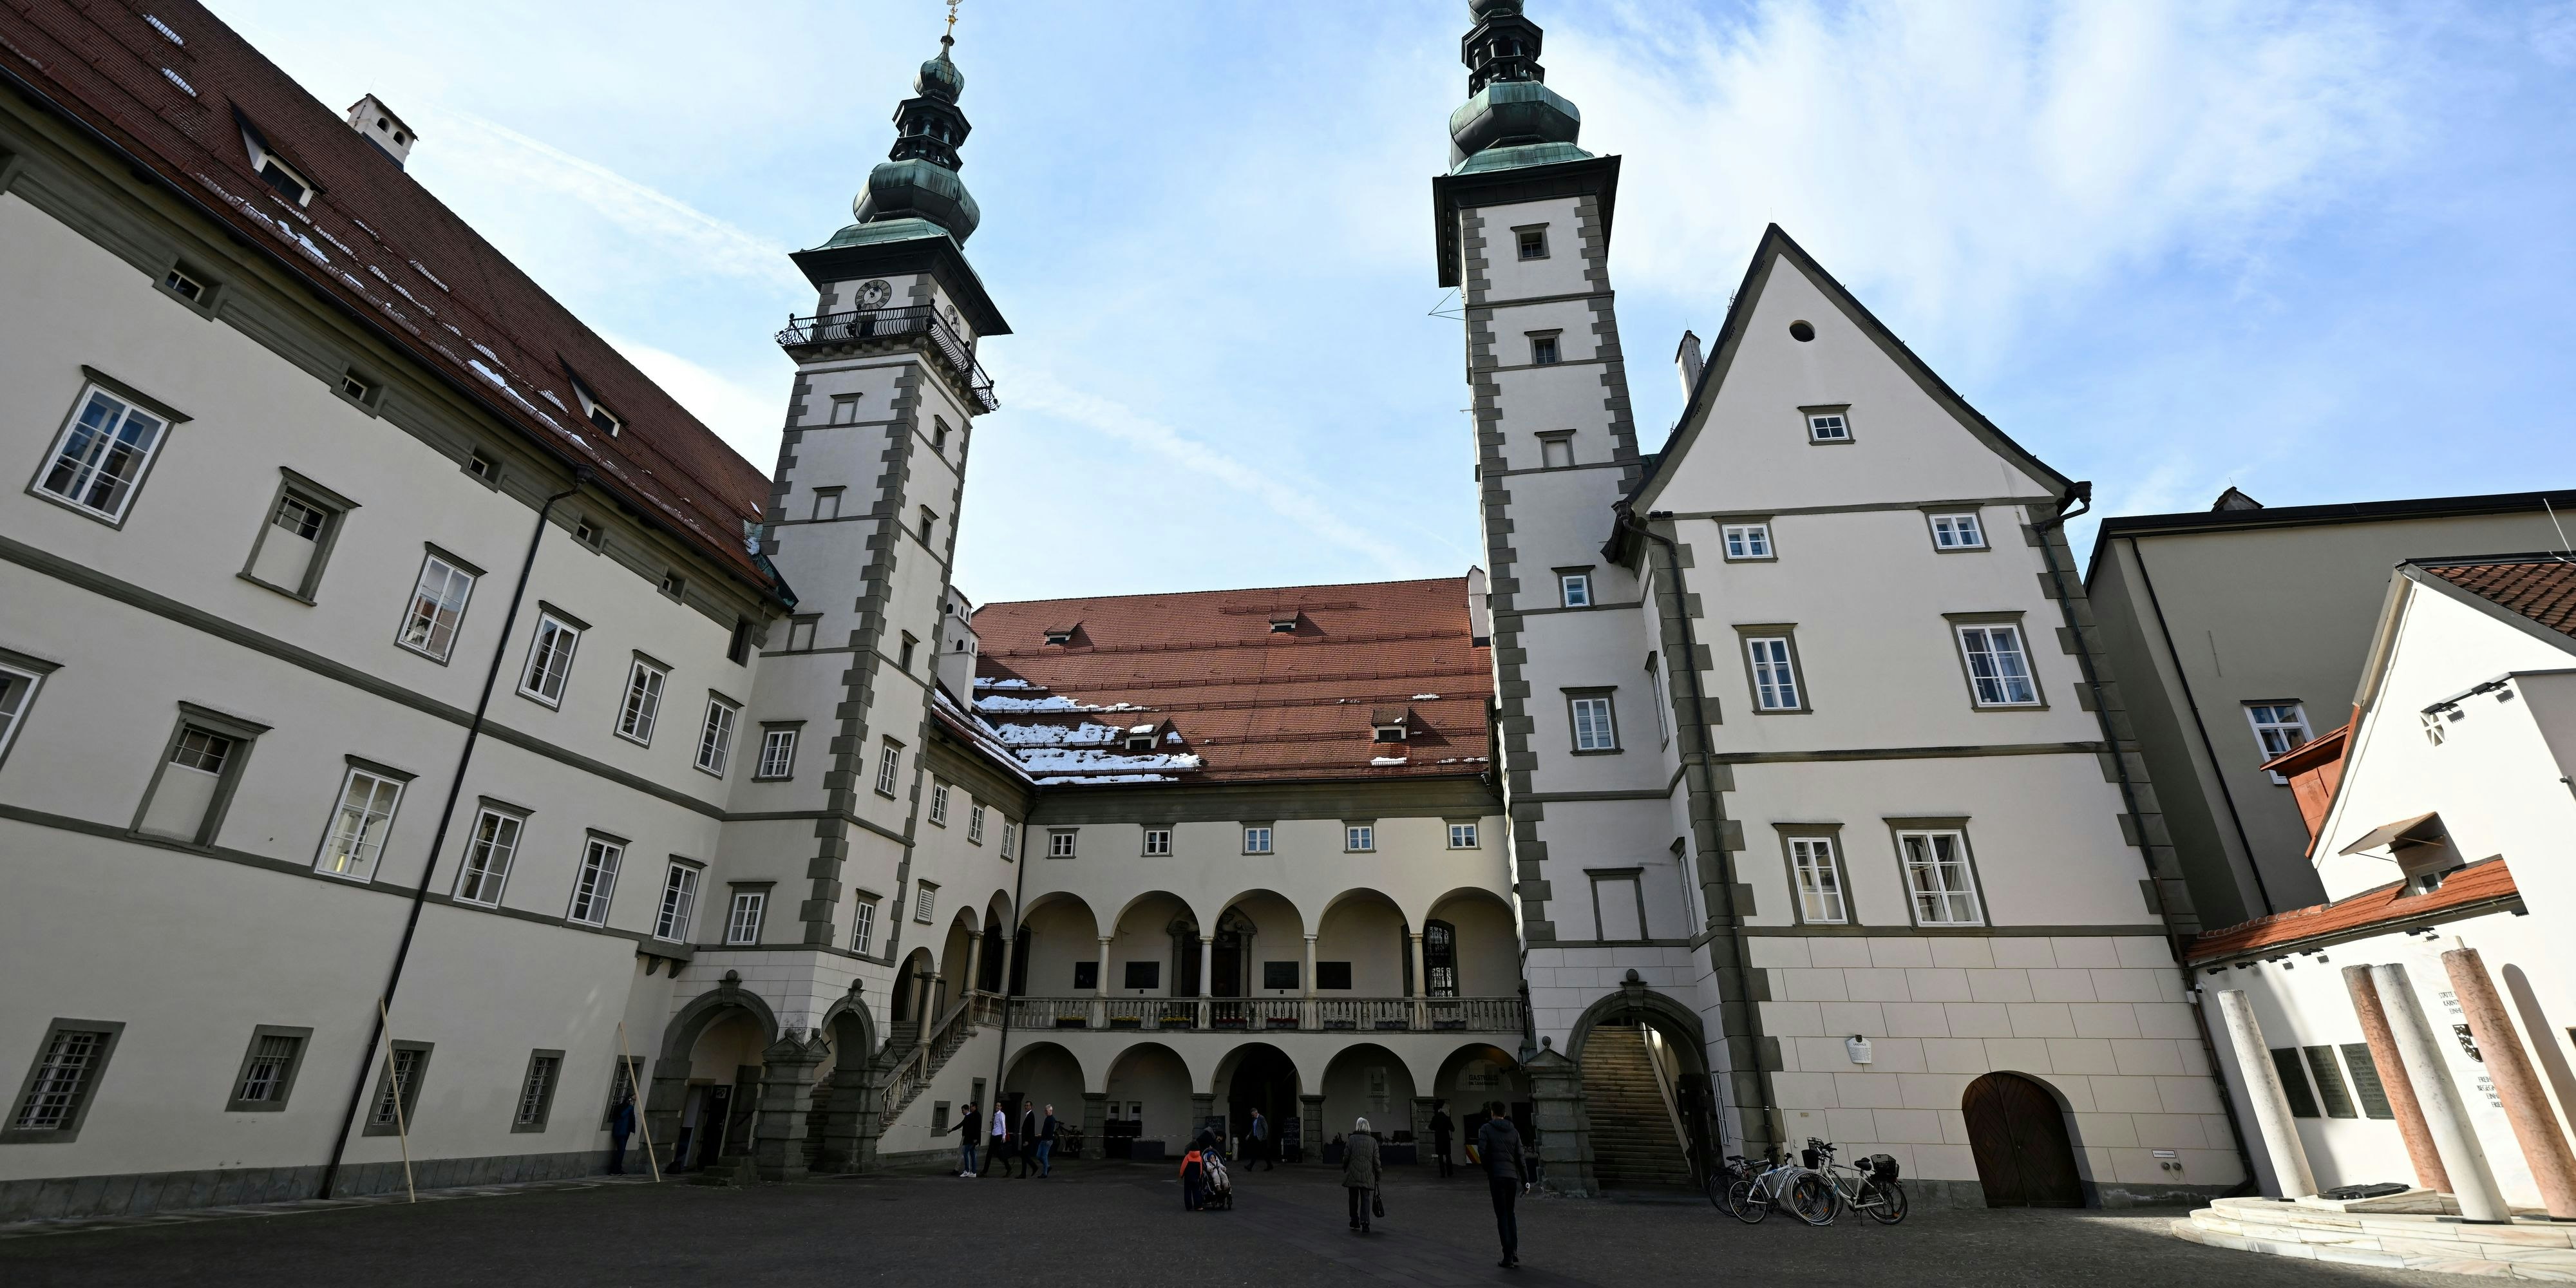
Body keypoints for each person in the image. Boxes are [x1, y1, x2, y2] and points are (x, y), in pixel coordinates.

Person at [1476, 1101, 1529, 1269]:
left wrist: (1489, 1169)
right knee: (1510, 1213)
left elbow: (1482, 1152)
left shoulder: (1486, 1129)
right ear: (1504, 1114)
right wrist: (1526, 1180)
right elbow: (1521, 1158)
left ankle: (1507, 1255)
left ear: (1492, 1113)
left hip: (1497, 1176)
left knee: (1502, 1215)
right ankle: (1514, 1250)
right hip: (1511, 1178)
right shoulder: (1514, 1131)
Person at [1342, 1117, 1383, 1234]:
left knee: (1353, 1198)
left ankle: (1354, 1220)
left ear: (1357, 1126)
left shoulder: (1351, 1139)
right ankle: (1365, 1223)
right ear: (1368, 1127)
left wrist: (1345, 1168)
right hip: (1367, 1175)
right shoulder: (1373, 1141)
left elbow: (1346, 1157)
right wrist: (1378, 1175)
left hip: (1353, 1174)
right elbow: (1376, 1161)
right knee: (1365, 1199)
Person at [607, 1095, 636, 1175]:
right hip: (620, 1132)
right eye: (632, 1100)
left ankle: (618, 1168)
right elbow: (622, 1115)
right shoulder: (622, 1107)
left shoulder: (630, 1109)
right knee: (621, 1151)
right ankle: (615, 1170)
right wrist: (630, 1107)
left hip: (625, 1132)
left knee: (622, 1151)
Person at [1180, 1138, 1209, 1211]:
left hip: (1188, 1178)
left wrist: (1181, 1175)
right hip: (1196, 1178)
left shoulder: (1187, 1157)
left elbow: (1183, 1167)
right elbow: (1201, 1169)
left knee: (1187, 1192)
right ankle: (1198, 1206)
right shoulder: (1199, 1158)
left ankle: (1189, 1206)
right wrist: (1199, 1177)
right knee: (1197, 1192)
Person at [1430, 1099, 1455, 1179]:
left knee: (1440, 1157)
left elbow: (1431, 1127)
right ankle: (1450, 1172)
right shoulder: (1447, 1118)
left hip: (1438, 1139)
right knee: (1448, 1156)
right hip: (1446, 1139)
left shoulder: (1435, 1118)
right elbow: (1453, 1129)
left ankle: (1443, 1173)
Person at [1018, 1102, 1041, 1177]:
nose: (1026, 1107)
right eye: (1025, 1106)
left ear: (1031, 1107)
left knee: (1025, 1156)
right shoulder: (1028, 1115)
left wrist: (1027, 1141)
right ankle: (1024, 1173)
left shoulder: (1031, 1115)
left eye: (1028, 1106)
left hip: (1027, 1141)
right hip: (1026, 1139)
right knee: (1024, 1156)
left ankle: (1033, 1167)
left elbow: (1031, 1130)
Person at [990, 1102, 1013, 1178]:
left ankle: (1008, 1168)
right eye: (996, 1105)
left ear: (1001, 1107)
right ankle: (1008, 1167)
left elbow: (1003, 1125)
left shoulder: (1001, 1114)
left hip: (998, 1136)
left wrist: (1004, 1136)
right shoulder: (996, 1115)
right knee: (997, 1153)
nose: (997, 1107)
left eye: (999, 1106)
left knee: (1000, 1153)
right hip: (994, 1135)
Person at [957, 1100, 980, 1177]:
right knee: (972, 1154)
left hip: (972, 1138)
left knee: (966, 1152)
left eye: (971, 1106)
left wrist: (976, 1138)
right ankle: (973, 1172)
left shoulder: (976, 1115)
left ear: (974, 1107)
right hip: (971, 1138)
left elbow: (977, 1128)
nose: (970, 1108)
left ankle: (967, 1170)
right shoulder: (972, 1115)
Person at [1034, 1103, 1057, 1178]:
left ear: (1051, 1110)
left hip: (1047, 1141)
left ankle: (1045, 1173)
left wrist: (1045, 1137)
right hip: (1044, 1139)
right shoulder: (1048, 1118)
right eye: (1045, 1111)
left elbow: (1050, 1131)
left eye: (1046, 1110)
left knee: (1044, 1156)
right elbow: (1046, 1130)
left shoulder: (1052, 1119)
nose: (1045, 1112)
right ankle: (1047, 1166)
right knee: (1038, 1156)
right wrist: (1042, 1135)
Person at [1249, 1107, 1274, 1171]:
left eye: (1253, 1114)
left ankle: (1270, 1165)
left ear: (1256, 1113)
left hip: (1261, 1139)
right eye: (1252, 1115)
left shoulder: (1261, 1118)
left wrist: (1264, 1137)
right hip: (1256, 1138)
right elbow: (1253, 1128)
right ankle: (1250, 1166)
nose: (1253, 1116)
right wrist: (1249, 1135)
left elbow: (1266, 1128)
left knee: (1263, 1153)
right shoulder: (1254, 1119)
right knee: (1257, 1152)